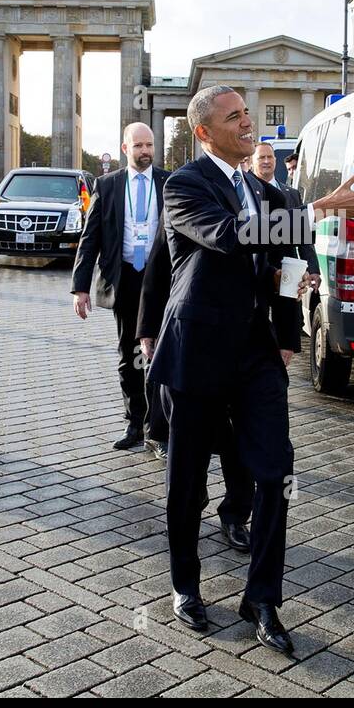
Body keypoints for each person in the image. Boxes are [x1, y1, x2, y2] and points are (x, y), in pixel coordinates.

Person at [149, 84, 354, 654]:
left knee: (275, 472)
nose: (247, 123)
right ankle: (186, 585)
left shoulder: (271, 192)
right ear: (204, 132)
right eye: (233, 117)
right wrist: (319, 208)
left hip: (257, 356)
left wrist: (288, 331)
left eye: (247, 114)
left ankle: (262, 599)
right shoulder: (185, 186)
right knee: (186, 485)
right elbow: (231, 236)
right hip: (197, 352)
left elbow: (286, 264)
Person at [138, 222, 254, 548]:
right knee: (193, 440)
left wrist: (287, 337)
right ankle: (194, 498)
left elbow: (285, 257)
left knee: (239, 442)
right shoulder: (191, 191)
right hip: (194, 345)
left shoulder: (267, 198)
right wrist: (148, 327)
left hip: (247, 344)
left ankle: (235, 515)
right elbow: (160, 266)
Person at [71, 122, 169, 452]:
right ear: (125, 149)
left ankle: (158, 428)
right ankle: (134, 424)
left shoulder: (168, 183)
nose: (145, 151)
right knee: (129, 355)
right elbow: (90, 237)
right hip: (125, 279)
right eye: (138, 145)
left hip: (161, 281)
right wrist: (80, 286)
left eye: (150, 145)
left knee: (160, 354)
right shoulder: (108, 185)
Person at [253, 141, 319, 289]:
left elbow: (303, 235)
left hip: (290, 274)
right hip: (257, 273)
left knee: (291, 312)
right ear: (252, 161)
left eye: (270, 157)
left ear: (275, 161)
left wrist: (313, 269)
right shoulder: (245, 192)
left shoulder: (292, 194)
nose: (266, 161)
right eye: (261, 157)